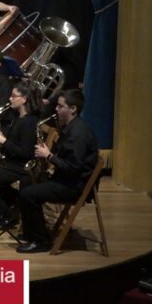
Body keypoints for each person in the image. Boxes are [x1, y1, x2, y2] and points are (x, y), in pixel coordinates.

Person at [16, 89, 99, 253]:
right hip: (66, 179)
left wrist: (49, 156)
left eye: (60, 106)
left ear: (73, 109)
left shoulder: (78, 134)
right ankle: (32, 232)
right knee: (26, 180)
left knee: (28, 194)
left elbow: (73, 169)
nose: (56, 109)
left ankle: (40, 241)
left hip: (74, 187)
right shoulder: (71, 128)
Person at [0, 80, 41, 230]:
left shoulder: (29, 122)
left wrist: (4, 140)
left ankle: (8, 214)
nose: (10, 99)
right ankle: (9, 204)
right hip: (12, 162)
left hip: (21, 167)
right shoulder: (18, 117)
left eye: (14, 96)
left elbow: (26, 153)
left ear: (25, 99)